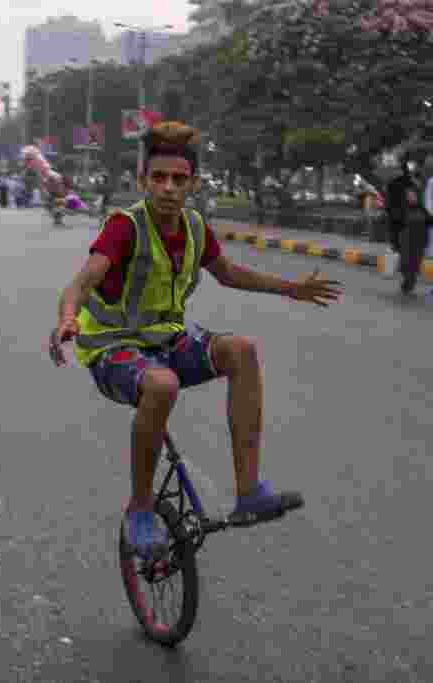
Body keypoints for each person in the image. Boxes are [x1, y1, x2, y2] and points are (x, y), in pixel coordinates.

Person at [48, 122, 343, 558]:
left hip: (166, 339)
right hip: (113, 348)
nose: (168, 188)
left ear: (194, 184)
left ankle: (248, 493)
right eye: (159, 178)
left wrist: (290, 288)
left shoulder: (195, 228)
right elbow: (81, 282)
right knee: (162, 384)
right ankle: (141, 509)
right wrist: (67, 319)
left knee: (241, 351)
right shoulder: (124, 227)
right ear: (142, 181)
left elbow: (229, 274)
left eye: (179, 179)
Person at [399, 187, 431, 295]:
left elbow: (429, 221)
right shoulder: (403, 208)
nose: (411, 198)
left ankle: (410, 284)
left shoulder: (422, 209)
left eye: (413, 196)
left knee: (415, 264)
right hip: (406, 240)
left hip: (419, 240)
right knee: (405, 264)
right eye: (409, 196)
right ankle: (407, 282)